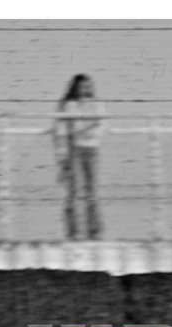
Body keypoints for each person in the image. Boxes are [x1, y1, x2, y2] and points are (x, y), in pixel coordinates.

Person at [53, 74, 106, 240]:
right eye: (83, 86)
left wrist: (83, 132)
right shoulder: (69, 105)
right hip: (74, 149)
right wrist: (62, 156)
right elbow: (62, 130)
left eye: (89, 86)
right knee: (73, 192)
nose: (86, 89)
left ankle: (94, 231)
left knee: (92, 191)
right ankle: (73, 231)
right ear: (76, 87)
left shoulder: (98, 105)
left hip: (92, 150)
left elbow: (101, 125)